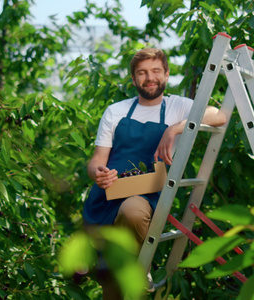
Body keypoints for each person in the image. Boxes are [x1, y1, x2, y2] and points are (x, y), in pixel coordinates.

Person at [82, 48, 226, 298]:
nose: (150, 77)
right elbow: (96, 161)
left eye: (156, 71)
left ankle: (141, 268)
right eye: (142, 73)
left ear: (167, 75)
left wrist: (175, 129)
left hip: (148, 193)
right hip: (107, 195)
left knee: (133, 212)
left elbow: (219, 115)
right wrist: (98, 173)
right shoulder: (116, 111)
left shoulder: (178, 106)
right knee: (112, 281)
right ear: (134, 78)